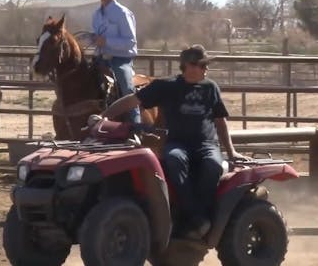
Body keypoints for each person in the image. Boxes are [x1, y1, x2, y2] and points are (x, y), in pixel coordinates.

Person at [98, 44, 249, 239]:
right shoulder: (167, 86)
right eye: (199, 65)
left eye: (204, 65)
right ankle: (195, 218)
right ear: (185, 66)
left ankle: (201, 216)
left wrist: (231, 151)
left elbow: (220, 121)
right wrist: (103, 116)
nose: (204, 69)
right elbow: (131, 101)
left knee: (213, 165)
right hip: (178, 143)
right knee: (174, 159)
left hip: (206, 145)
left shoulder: (211, 88)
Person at [92, 0, 140, 123]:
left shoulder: (122, 13)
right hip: (101, 58)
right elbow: (96, 38)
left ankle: (136, 125)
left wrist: (106, 41)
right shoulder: (96, 15)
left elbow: (130, 42)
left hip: (121, 60)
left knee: (127, 88)